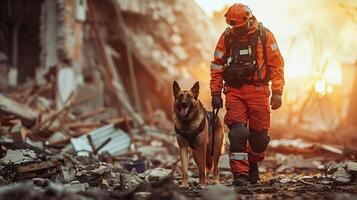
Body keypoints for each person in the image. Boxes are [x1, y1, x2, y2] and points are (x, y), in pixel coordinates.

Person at [210, 3, 284, 186]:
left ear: (249, 19)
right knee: (238, 133)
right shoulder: (227, 36)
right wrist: (215, 92)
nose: (237, 30)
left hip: (258, 91)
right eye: (234, 27)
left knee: (260, 140)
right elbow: (217, 65)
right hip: (234, 91)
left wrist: (277, 91)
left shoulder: (264, 35)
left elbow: (276, 64)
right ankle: (240, 176)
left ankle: (252, 162)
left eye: (240, 27)